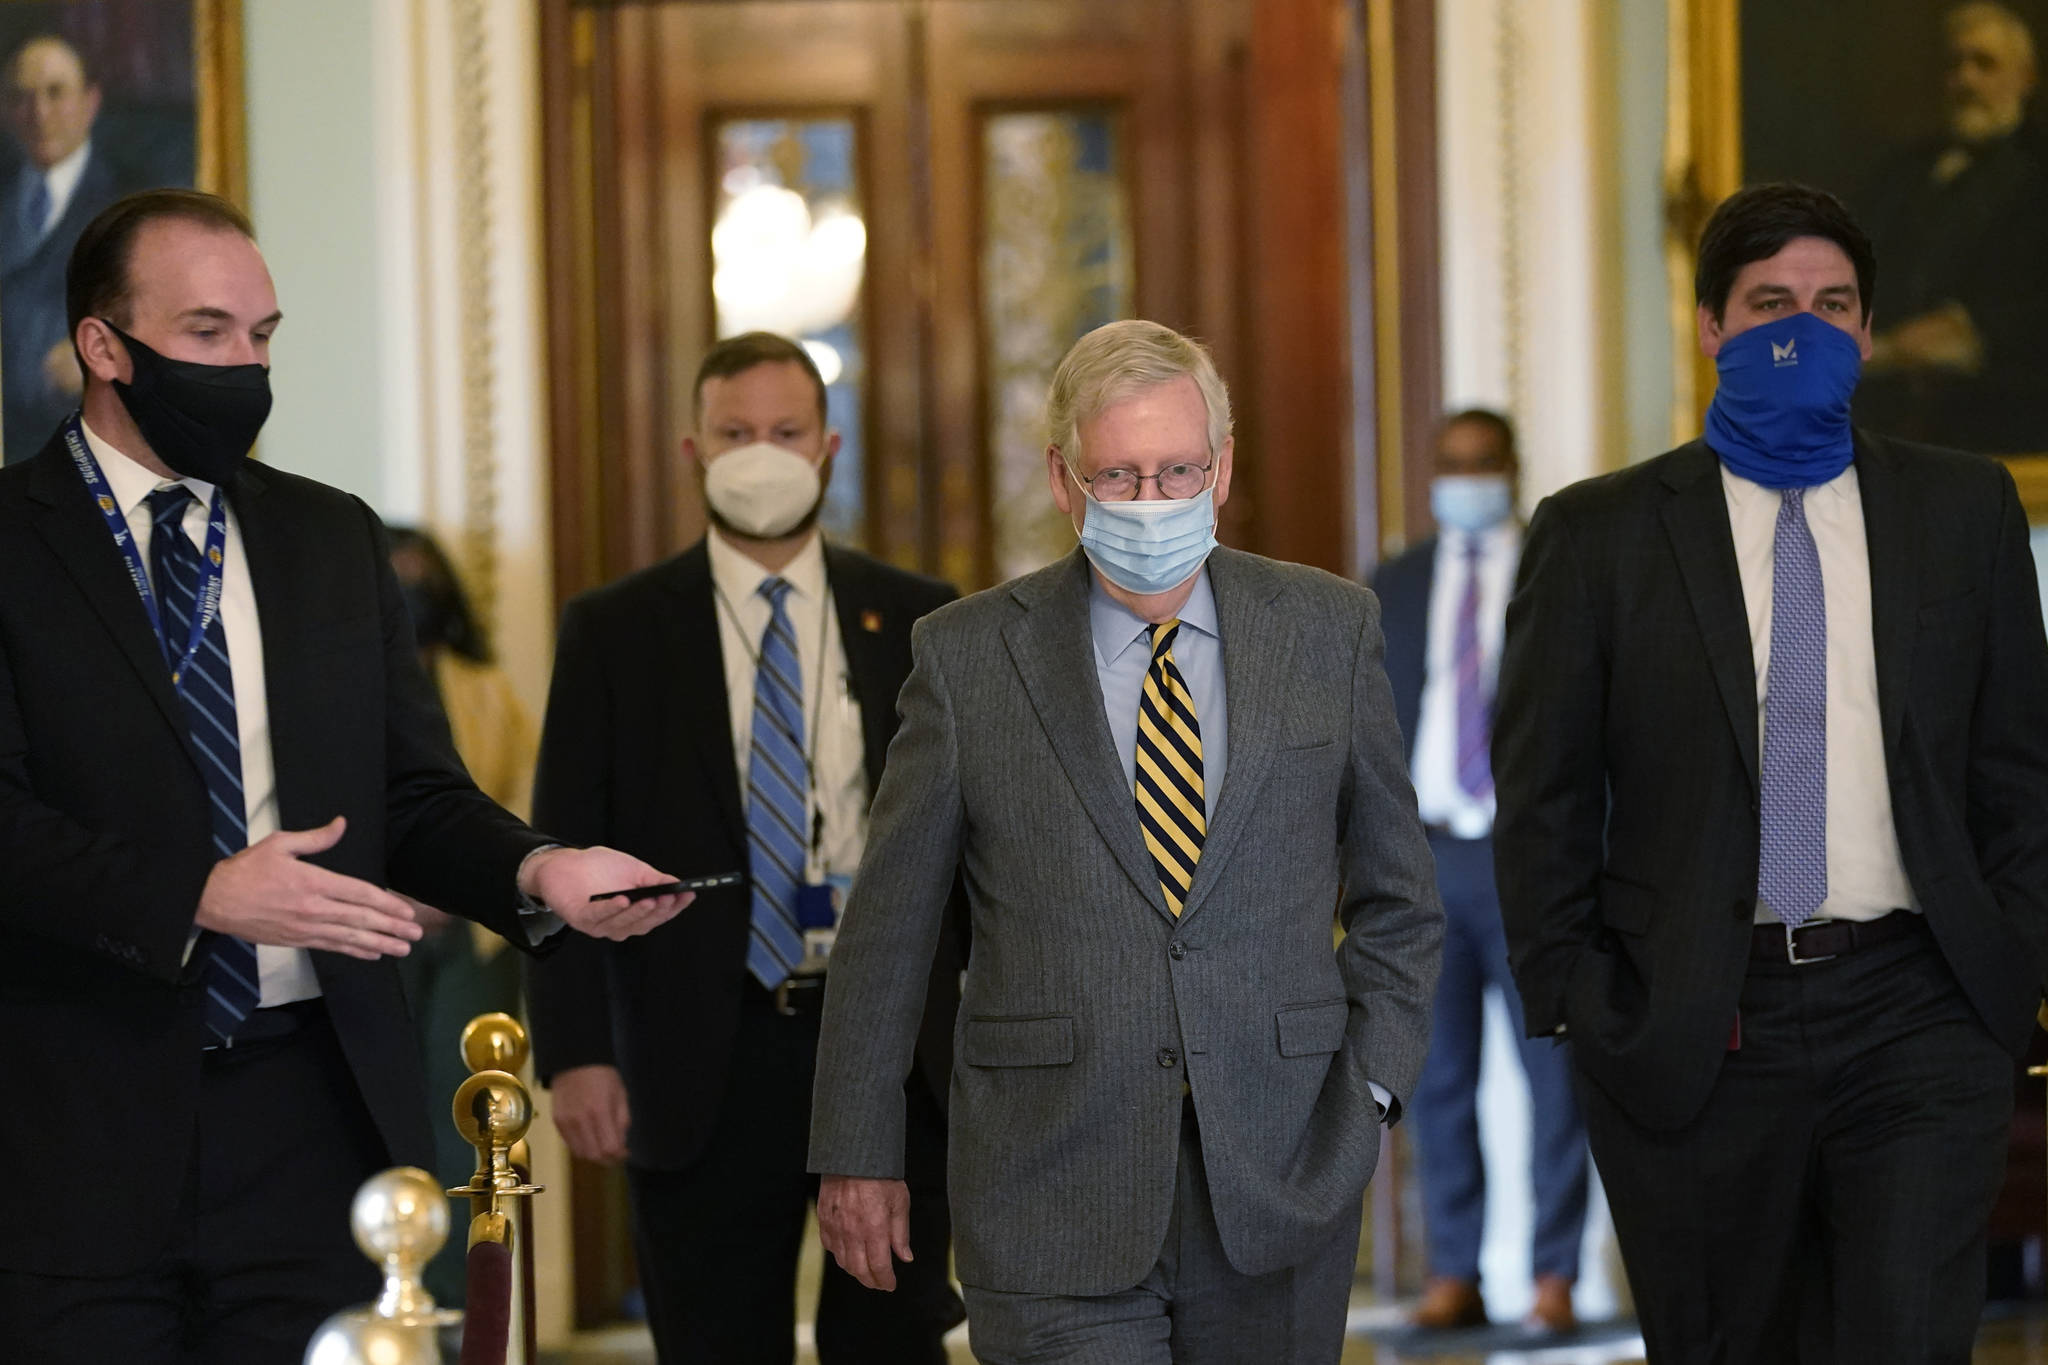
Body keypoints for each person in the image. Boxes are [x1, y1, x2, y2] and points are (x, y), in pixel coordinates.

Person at [0, 187, 694, 1363]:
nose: (246, 366)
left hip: (312, 1113)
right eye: (208, 334)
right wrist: (198, 895)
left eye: (264, 336)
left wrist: (543, 867)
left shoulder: (330, 539)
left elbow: (411, 798)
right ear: (103, 348)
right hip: (74, 1122)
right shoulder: (13, 543)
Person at [808, 319, 1444, 1365]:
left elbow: (1399, 901)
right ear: (1064, 482)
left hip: (1283, 1170)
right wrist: (855, 1152)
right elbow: (889, 933)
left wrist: (1367, 1092)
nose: (1150, 502)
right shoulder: (966, 659)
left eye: (1175, 471)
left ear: (1221, 468)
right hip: (1047, 1181)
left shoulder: (1326, 630)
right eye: (1118, 476)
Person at [1494, 181, 2048, 1362]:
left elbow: (2018, 766)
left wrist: (2006, 968)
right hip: (1698, 1025)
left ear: (1862, 328)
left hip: (1917, 1009)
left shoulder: (1961, 510)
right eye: (1768, 303)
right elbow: (1540, 798)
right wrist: (1586, 1005)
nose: (1801, 328)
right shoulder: (1596, 534)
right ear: (1709, 326)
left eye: (1830, 303)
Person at [525, 331, 967, 1362]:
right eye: (735, 433)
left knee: (892, 1341)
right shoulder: (614, 630)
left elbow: (968, 852)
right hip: (695, 1051)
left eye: (783, 430)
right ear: (693, 449)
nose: (759, 452)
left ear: (827, 445)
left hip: (888, 1048)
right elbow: (559, 848)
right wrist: (576, 1052)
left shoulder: (921, 618)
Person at [1372, 409, 1586, 1335]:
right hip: (1426, 854)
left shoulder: (1563, 566)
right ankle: (1453, 1271)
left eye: (1482, 464)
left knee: (1557, 1076)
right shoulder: (1400, 579)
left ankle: (1555, 1275)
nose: (1465, 479)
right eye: (1449, 464)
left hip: (1530, 857)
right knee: (1438, 1076)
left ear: (1511, 467)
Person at [388, 526, 538, 1308]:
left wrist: (457, 883)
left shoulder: (483, 686)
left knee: (469, 1117)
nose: (414, 597)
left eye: (424, 581)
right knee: (381, 1112)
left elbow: (515, 803)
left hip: (472, 937)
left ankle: (460, 1308)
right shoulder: (342, 683)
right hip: (374, 929)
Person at [1854, 1, 2048, 453]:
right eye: (1955, 64)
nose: (1966, 80)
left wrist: (1970, 330)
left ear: (2026, 78)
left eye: (1985, 63)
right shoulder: (1904, 173)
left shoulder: (2041, 173)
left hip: (2003, 416)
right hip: (1890, 417)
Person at [0, 33, 136, 463]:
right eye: (21, 97)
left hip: (94, 448)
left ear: (91, 102)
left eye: (55, 93)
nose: (38, 113)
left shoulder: (130, 202)